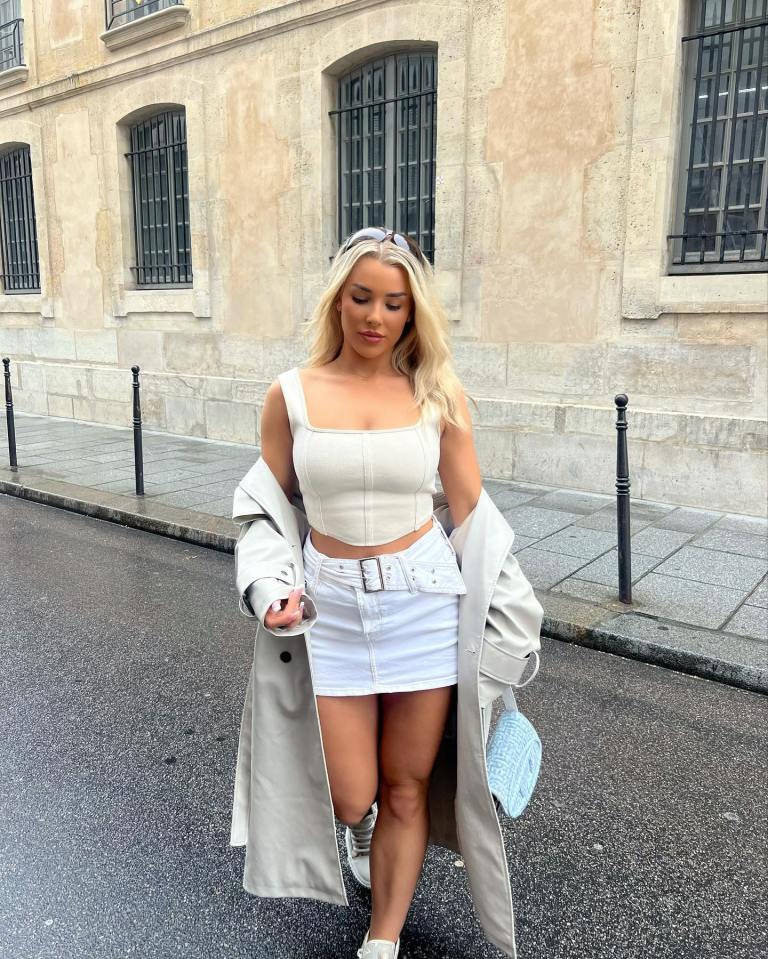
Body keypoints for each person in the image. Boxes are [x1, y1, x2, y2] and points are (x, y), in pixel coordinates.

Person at [231, 225, 543, 959]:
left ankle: (384, 936)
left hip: (424, 604)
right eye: (362, 298)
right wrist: (271, 584)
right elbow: (266, 509)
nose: (375, 316)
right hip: (330, 611)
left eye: (394, 303)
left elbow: (473, 516)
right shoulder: (291, 396)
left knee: (407, 785)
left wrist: (513, 613)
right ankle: (360, 829)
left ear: (412, 312)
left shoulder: (439, 394)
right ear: (338, 302)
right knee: (348, 792)